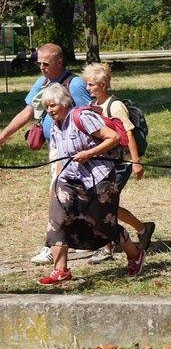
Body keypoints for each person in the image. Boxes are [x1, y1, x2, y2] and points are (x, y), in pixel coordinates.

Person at [36, 83, 145, 285]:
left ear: (65, 103)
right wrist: (56, 183)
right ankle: (61, 270)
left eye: (53, 105)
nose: (50, 110)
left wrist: (90, 153)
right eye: (47, 107)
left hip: (98, 178)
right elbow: (61, 157)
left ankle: (134, 254)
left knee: (103, 223)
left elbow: (114, 137)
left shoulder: (82, 117)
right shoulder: (54, 125)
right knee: (57, 221)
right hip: (69, 180)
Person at [0, 43, 91, 265]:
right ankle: (77, 239)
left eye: (46, 63)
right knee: (69, 196)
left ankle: (53, 246)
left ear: (59, 62)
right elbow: (28, 111)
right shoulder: (43, 83)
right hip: (55, 148)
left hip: (73, 151)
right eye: (38, 62)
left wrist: (89, 150)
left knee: (58, 195)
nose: (41, 67)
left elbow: (91, 116)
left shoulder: (75, 84)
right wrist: (3, 135)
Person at [81, 63, 156, 264]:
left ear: (103, 85)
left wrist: (136, 162)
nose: (88, 89)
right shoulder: (96, 105)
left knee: (104, 205)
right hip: (104, 163)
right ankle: (143, 228)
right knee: (105, 205)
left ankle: (106, 248)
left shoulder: (115, 106)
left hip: (120, 164)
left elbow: (128, 133)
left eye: (91, 85)